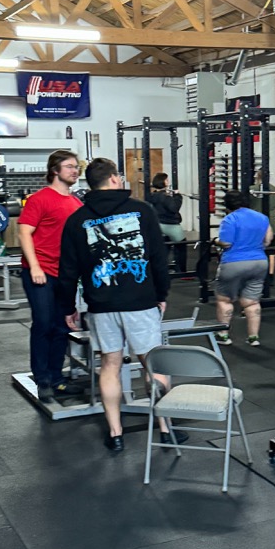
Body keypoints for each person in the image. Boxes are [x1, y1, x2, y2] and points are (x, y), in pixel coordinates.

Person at [58, 157, 176, 454]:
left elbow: (68, 270)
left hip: (101, 304)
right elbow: (158, 258)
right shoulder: (142, 210)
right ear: (113, 179)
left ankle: (116, 433)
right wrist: (161, 294)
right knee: (153, 363)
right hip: (140, 302)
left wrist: (68, 307)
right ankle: (165, 429)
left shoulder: (77, 219)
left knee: (110, 365)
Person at [18, 149, 83, 402]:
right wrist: (35, 267)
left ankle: (57, 378)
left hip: (64, 274)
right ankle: (42, 379)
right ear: (55, 170)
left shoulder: (76, 203)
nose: (75, 171)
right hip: (40, 271)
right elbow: (24, 232)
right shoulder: (39, 199)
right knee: (44, 323)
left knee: (61, 326)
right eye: (69, 166)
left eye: (76, 167)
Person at [214, 190, 272, 347]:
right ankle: (253, 337)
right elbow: (268, 240)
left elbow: (226, 243)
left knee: (224, 299)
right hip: (259, 262)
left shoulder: (230, 219)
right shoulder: (262, 217)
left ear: (227, 205)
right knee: (252, 302)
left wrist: (216, 240)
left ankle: (223, 336)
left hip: (234, 263)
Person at [150, 172, 187, 273]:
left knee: (165, 247)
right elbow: (174, 208)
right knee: (181, 246)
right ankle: (181, 271)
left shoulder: (153, 195)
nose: (168, 181)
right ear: (163, 182)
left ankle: (162, 270)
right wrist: (178, 196)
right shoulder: (165, 197)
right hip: (171, 225)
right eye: (166, 180)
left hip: (159, 224)